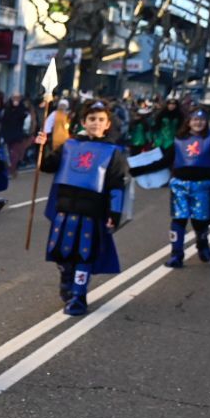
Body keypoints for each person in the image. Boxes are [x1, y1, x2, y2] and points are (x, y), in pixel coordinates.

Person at [36, 100, 129, 316]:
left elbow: (117, 185)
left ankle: (78, 296)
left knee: (84, 255)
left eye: (100, 120)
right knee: (62, 254)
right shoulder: (69, 145)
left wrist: (113, 214)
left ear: (107, 124)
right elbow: (47, 166)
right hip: (65, 210)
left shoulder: (113, 151)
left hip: (92, 213)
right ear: (83, 121)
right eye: (92, 119)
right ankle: (67, 283)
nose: (96, 123)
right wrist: (42, 145)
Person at [157, 109, 210, 267]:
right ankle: (176, 254)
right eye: (194, 119)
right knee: (178, 219)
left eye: (201, 120)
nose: (198, 122)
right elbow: (164, 161)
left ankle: (202, 244)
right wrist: (139, 169)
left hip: (202, 186)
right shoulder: (179, 140)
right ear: (188, 122)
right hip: (180, 185)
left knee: (199, 220)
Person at [0, 91, 31, 173]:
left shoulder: (23, 109)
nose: (16, 100)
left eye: (18, 98)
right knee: (6, 153)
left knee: (14, 154)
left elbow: (25, 119)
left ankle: (11, 170)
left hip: (17, 135)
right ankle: (7, 169)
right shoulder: (7, 108)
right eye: (14, 97)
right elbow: (3, 121)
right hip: (7, 134)